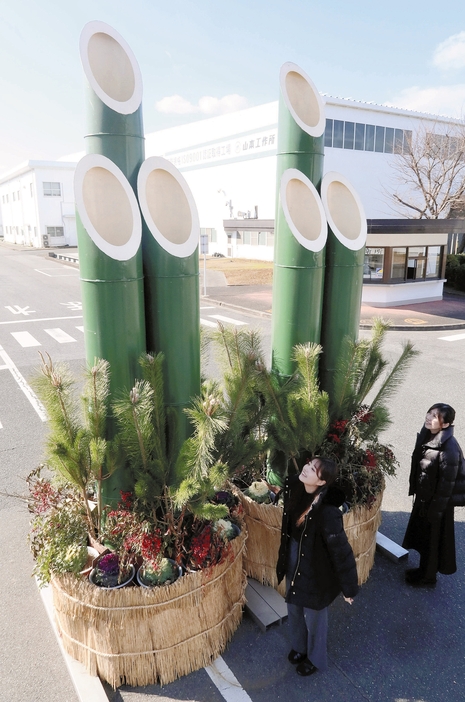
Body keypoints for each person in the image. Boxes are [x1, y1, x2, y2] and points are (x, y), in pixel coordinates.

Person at [276, 457, 358, 677]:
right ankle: (299, 648)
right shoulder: (295, 487)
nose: (306, 469)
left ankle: (315, 657)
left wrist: (349, 589)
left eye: (313, 470)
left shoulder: (328, 513)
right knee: (293, 605)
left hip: (316, 570)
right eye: (309, 465)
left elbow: (341, 552)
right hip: (294, 557)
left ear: (322, 482)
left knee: (315, 617)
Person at [403, 403, 465, 587]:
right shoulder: (429, 435)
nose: (429, 417)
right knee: (423, 537)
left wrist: (435, 511)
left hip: (438, 504)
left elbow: (447, 485)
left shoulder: (449, 449)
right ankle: (423, 571)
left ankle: (428, 578)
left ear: (445, 424)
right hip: (426, 499)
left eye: (435, 416)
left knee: (432, 541)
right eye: (429, 413)